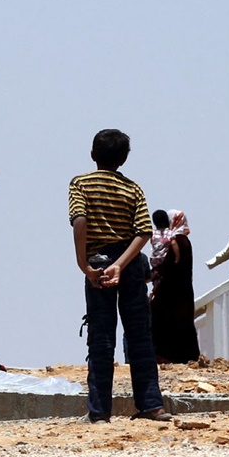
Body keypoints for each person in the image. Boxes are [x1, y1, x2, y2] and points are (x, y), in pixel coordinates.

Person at [68, 129, 169, 423]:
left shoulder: (80, 184)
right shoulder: (133, 188)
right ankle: (152, 405)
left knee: (100, 337)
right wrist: (122, 265)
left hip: (98, 262)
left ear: (92, 154)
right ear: (124, 159)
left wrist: (83, 265)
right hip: (131, 264)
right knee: (139, 336)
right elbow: (144, 232)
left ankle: (100, 411)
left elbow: (80, 220)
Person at [147, 209, 201, 364]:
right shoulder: (183, 240)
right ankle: (186, 356)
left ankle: (166, 357)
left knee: (162, 321)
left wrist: (154, 274)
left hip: (171, 291)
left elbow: (169, 264)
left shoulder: (178, 240)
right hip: (182, 291)